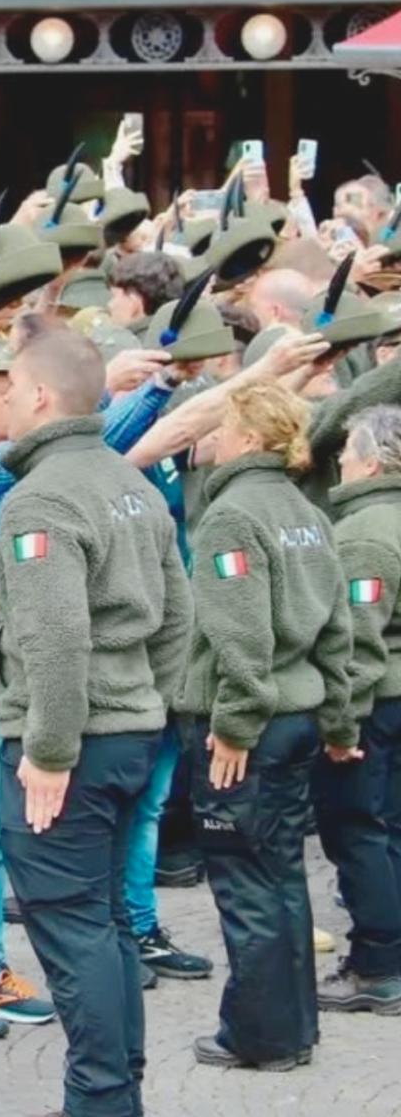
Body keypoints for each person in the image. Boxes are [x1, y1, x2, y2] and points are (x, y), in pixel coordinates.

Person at [0, 332, 173, 1042]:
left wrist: (141, 394)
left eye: (20, 387)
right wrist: (104, 397)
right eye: (2, 388)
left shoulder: (36, 471)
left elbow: (78, 441)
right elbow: (67, 442)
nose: (15, 399)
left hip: (6, 681)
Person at [0, 327, 193, 1117]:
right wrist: (152, 706)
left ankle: (102, 1100)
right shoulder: (128, 480)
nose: (6, 399)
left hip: (70, 746)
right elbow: (176, 616)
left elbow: (55, 635)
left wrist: (49, 748)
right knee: (105, 924)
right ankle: (116, 1092)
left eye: (12, 386)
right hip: (128, 731)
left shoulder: (40, 497)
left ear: (42, 396)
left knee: (76, 934)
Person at [176, 381, 353, 1071]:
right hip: (300, 713)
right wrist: (337, 720)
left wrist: (235, 725)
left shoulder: (233, 516)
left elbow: (242, 638)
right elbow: (336, 631)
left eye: (223, 427)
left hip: (251, 724)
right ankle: (295, 1027)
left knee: (246, 883)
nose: (214, 438)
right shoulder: (306, 511)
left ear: (249, 438)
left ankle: (259, 1036)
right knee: (280, 876)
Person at [316, 404, 401, 1014]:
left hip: (376, 707)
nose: (339, 461)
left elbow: (356, 643)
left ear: (371, 463)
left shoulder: (365, 533)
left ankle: (376, 965)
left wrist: (340, 725)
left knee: (359, 834)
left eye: (347, 451)